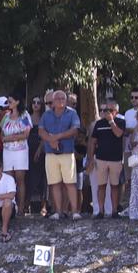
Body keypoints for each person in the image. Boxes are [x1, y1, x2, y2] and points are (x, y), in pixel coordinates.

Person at [40, 89, 81, 219]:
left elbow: (75, 130)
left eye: (63, 98)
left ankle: (74, 212)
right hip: (51, 153)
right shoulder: (46, 115)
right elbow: (41, 131)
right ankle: (58, 211)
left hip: (66, 153)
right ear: (53, 101)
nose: (60, 101)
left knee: (70, 182)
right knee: (55, 183)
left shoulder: (72, 113)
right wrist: (50, 139)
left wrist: (58, 137)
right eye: (57, 99)